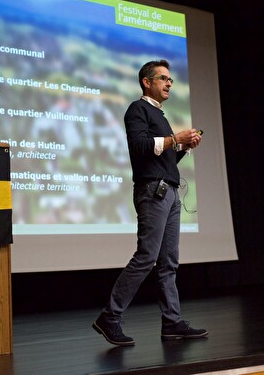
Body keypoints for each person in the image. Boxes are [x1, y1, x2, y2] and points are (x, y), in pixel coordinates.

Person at [92, 59, 208, 346]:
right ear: (147, 82)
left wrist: (182, 146)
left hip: (169, 191)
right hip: (152, 191)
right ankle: (110, 317)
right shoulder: (137, 109)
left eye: (170, 79)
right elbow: (142, 147)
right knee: (147, 257)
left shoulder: (161, 115)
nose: (169, 83)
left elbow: (164, 159)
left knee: (168, 262)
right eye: (164, 78)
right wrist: (173, 138)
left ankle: (172, 323)